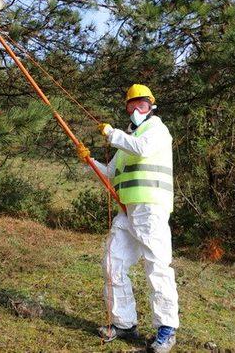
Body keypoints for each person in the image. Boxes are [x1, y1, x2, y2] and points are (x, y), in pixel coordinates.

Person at [77, 84, 179, 352]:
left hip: (151, 207)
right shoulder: (127, 140)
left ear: (151, 106)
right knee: (113, 262)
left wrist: (112, 134)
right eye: (131, 106)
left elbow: (142, 149)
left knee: (157, 266)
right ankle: (124, 323)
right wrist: (90, 161)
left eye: (141, 105)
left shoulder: (156, 130)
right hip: (128, 210)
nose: (136, 110)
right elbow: (111, 172)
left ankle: (166, 329)